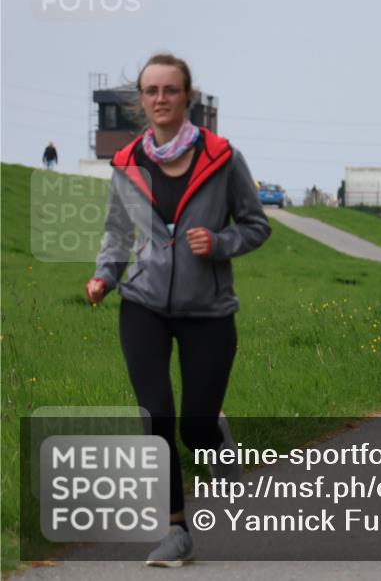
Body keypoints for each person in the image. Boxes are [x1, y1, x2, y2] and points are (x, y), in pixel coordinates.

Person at [85, 53, 271, 566]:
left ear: (187, 97)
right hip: (142, 303)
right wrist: (105, 275)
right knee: (156, 415)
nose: (161, 99)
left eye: (170, 90)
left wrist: (220, 240)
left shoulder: (223, 158)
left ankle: (213, 437)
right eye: (151, 91)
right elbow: (118, 232)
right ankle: (175, 531)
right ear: (140, 100)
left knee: (193, 426)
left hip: (208, 309)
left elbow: (257, 225)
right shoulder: (126, 164)